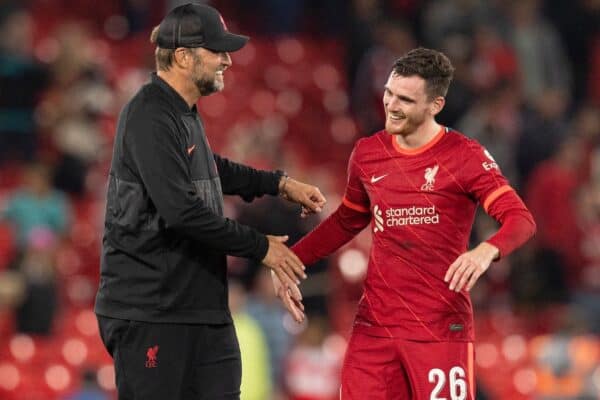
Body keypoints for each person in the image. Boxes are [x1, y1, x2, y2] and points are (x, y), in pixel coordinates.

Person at [275, 48, 536, 399]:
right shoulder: (368, 153)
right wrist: (289, 260)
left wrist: (486, 251)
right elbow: (347, 221)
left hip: (440, 326)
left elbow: (520, 219)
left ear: (435, 105)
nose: (391, 105)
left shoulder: (465, 156)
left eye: (406, 100)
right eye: (389, 93)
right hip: (375, 328)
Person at [94, 4, 325, 400]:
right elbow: (181, 211)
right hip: (152, 311)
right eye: (217, 50)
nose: (227, 60)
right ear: (183, 56)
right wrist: (261, 247)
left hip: (198, 309)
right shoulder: (149, 113)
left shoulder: (182, 114)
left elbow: (212, 169)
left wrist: (278, 184)